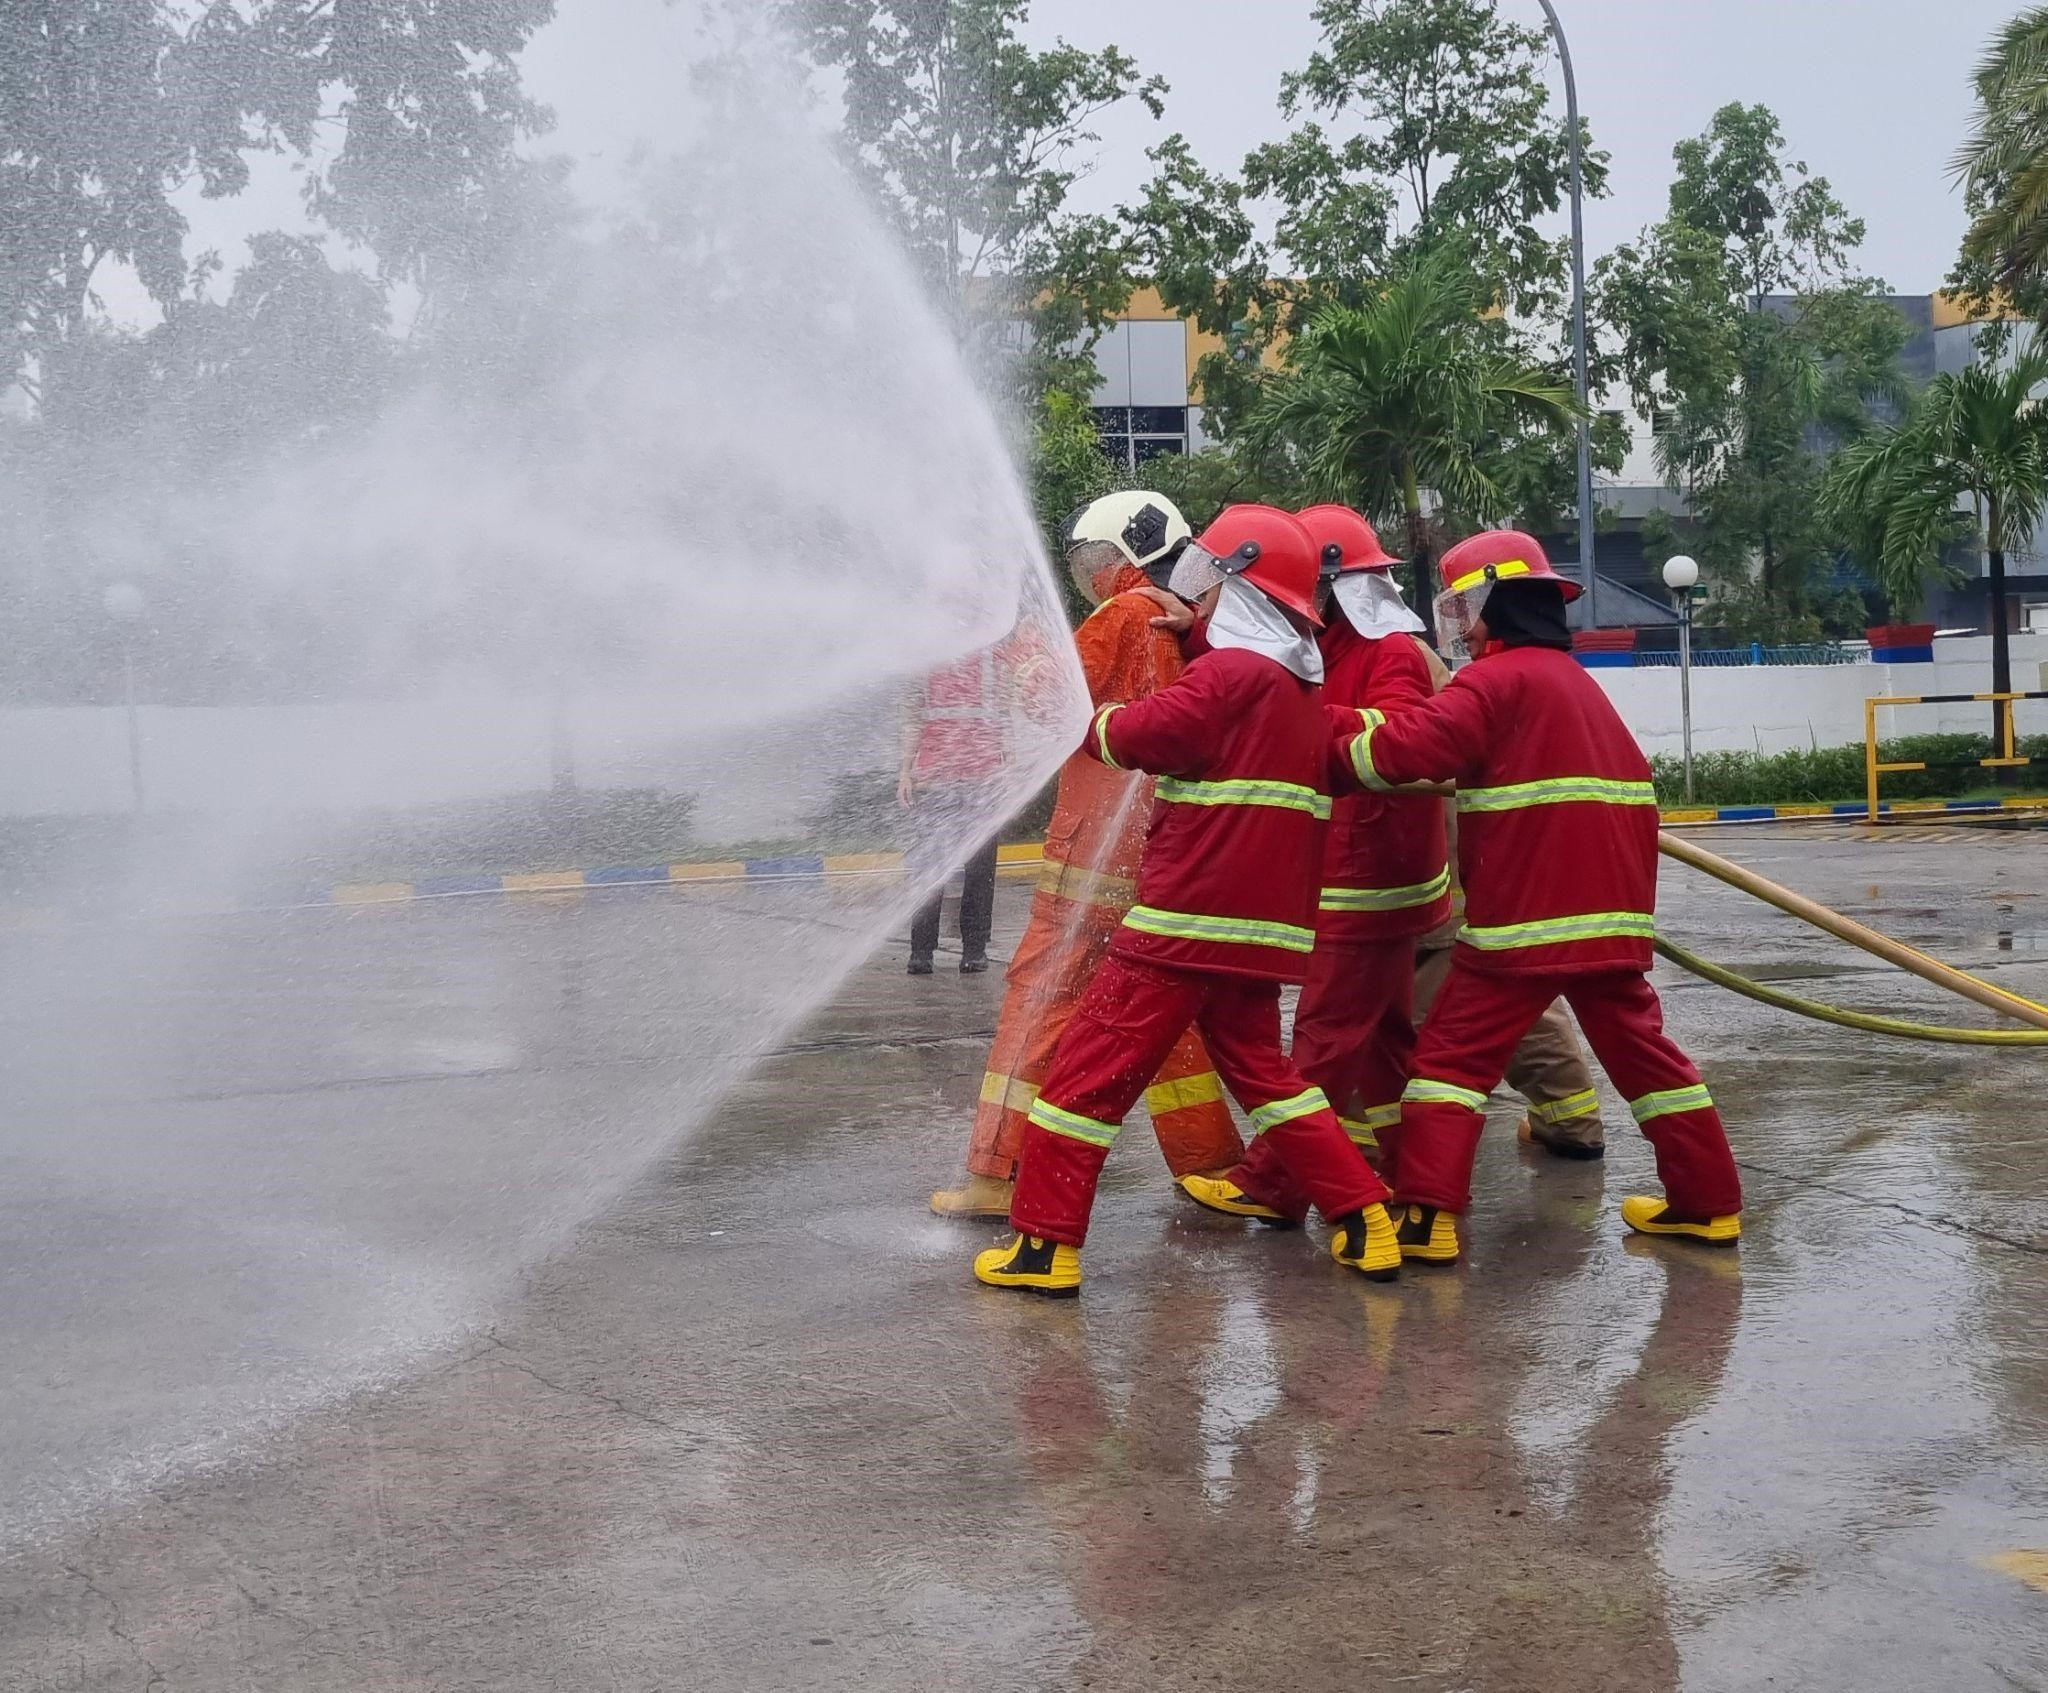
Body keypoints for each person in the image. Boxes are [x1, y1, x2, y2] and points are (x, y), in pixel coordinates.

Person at [973, 504, 1401, 1298]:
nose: (1194, 590)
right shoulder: (1295, 685)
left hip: (1182, 923)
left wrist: (1083, 714)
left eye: (1211, 578)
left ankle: (1043, 1245)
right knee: (1270, 1079)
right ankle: (1363, 1213)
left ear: (1238, 587)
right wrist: (1191, 631)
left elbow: (1138, 736)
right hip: (1257, 934)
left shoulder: (1228, 677)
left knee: (1084, 1079)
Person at [1334, 529, 1742, 1265]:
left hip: (1524, 920)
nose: (1458, 625)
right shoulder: (1576, 685)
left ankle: (1426, 1218)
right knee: (1652, 1064)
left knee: (1452, 1062)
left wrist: (1315, 734)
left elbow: (1402, 752)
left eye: (1463, 607)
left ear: (1493, 602)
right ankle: (1708, 1205)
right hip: (1609, 921)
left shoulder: (1497, 684)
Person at [930, 492, 1243, 1219]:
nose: (1087, 575)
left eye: (1089, 562)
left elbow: (1051, 703)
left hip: (1088, 866)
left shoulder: (1124, 614)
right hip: (1155, 858)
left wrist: (1026, 657)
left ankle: (994, 1171)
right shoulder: (1188, 621)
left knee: (1037, 1003)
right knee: (1164, 1012)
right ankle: (1209, 1160)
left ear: (1119, 557)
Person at [1180, 505, 1449, 1224]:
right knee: (1387, 1044)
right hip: (1359, 871)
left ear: (1335, 583)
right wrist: (1196, 633)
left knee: (1324, 1038)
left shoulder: (1388, 650)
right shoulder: (1320, 641)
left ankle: (1273, 1184)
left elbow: (1398, 741)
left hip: (1372, 878)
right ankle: (1410, 1176)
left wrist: (1300, 728)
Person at [900, 644, 1006, 975]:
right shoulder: (929, 658)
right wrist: (904, 771)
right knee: (939, 868)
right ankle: (930, 951)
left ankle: (966, 949)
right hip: (943, 777)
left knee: (971, 869)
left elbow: (1003, 716)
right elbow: (912, 717)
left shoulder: (989, 656)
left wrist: (1010, 766)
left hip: (977, 776)